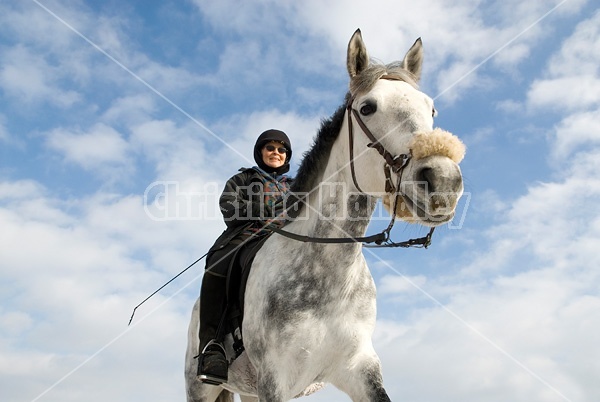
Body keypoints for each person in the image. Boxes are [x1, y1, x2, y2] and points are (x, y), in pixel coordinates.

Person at [198, 129, 293, 385]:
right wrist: (261, 209)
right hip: (248, 236)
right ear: (260, 151)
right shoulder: (242, 179)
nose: (276, 153)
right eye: (270, 148)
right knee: (218, 265)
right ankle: (211, 346)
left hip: (289, 241)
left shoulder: (296, 186)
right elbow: (228, 208)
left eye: (281, 150)